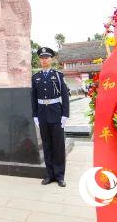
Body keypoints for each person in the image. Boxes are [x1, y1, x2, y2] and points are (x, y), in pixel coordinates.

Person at [31, 46, 69, 187]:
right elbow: (33, 98)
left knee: (58, 146)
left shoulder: (58, 76)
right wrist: (35, 115)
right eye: (41, 58)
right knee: (46, 145)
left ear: (51, 59)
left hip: (56, 114)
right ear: (39, 60)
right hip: (42, 115)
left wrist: (65, 114)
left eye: (46, 57)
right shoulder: (36, 77)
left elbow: (64, 96)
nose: (44, 60)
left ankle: (59, 176)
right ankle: (49, 175)